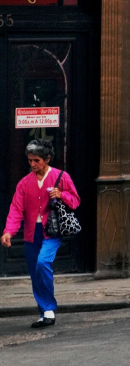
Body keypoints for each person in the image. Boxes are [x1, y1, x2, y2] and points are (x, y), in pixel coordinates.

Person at [3, 140, 79, 329]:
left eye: (36, 160)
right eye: (30, 160)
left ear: (47, 159)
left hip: (52, 230)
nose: (32, 164)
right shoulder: (24, 183)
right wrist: (8, 232)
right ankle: (44, 311)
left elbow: (75, 201)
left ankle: (49, 308)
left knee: (43, 263)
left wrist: (61, 194)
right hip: (31, 233)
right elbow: (16, 209)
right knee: (35, 272)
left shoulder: (61, 177)